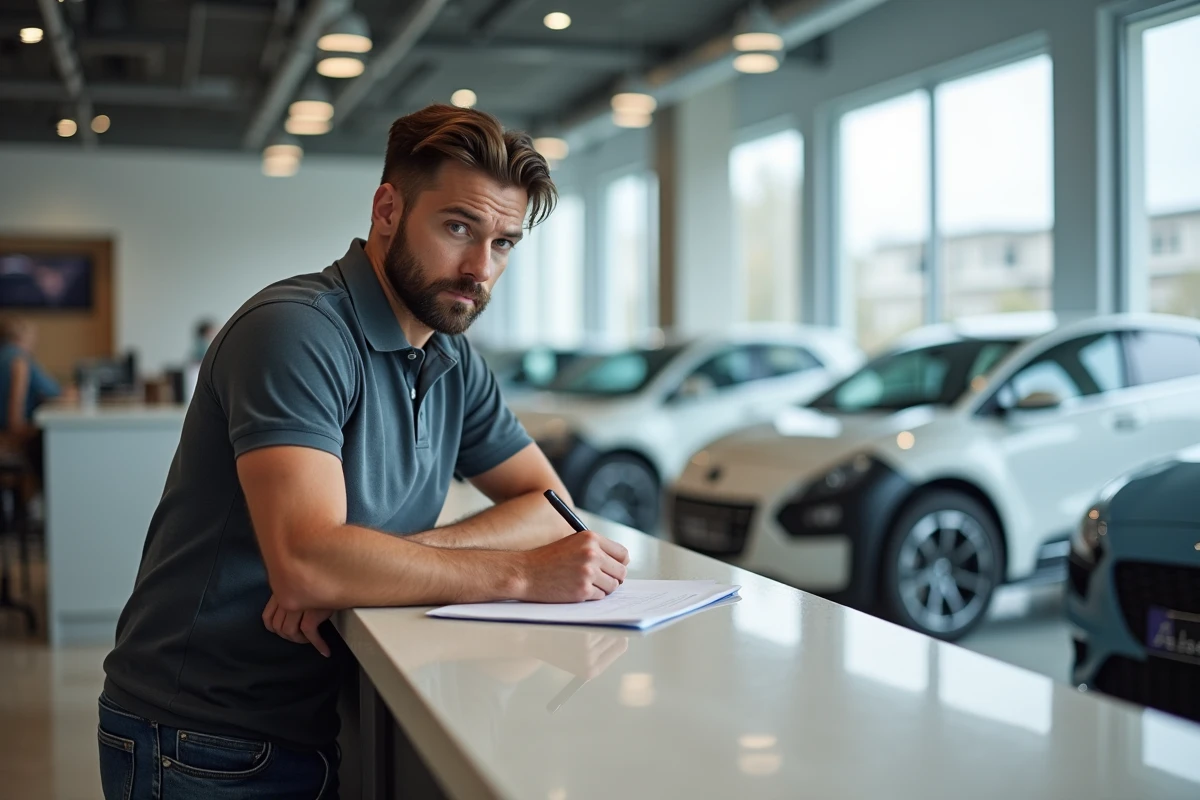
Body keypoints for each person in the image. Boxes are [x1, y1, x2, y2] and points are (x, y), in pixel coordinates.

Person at [97, 105, 630, 799]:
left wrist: (368, 563)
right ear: (387, 209)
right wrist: (524, 577)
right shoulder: (296, 332)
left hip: (311, 718)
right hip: (198, 736)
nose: (480, 269)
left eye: (503, 243)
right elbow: (312, 566)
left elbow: (551, 508)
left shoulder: (450, 358)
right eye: (458, 227)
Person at [0, 318, 61, 481]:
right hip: (13, 433)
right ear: (24, 336)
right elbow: (55, 393)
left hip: (6, 431)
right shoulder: (20, 360)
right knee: (56, 440)